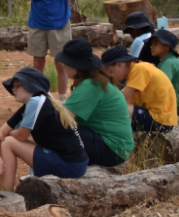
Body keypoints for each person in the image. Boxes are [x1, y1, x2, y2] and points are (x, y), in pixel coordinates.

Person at [0, 68, 89, 191]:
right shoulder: (34, 102)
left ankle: (6, 194)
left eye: (18, 85)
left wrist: (9, 133)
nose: (13, 89)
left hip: (70, 164)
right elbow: (1, 132)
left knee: (7, 143)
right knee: (5, 141)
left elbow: (20, 136)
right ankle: (1, 191)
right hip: (74, 161)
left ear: (31, 86)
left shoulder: (36, 102)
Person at [55, 39, 135, 167]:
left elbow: (64, 117)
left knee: (54, 129)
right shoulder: (95, 81)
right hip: (117, 147)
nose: (62, 65)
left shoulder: (90, 86)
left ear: (75, 65)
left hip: (111, 149)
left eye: (66, 61)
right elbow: (67, 108)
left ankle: (55, 167)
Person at [24, 0, 75, 101]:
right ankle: (40, 99)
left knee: (60, 63)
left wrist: (59, 12)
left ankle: (61, 100)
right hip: (37, 21)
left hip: (58, 22)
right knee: (37, 63)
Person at [100, 46, 178, 132]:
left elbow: (123, 99)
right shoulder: (134, 72)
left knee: (115, 108)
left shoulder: (139, 69)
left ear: (119, 65)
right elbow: (131, 101)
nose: (111, 76)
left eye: (111, 72)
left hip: (160, 120)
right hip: (162, 118)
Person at [151, 29, 179, 116]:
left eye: (155, 43)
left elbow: (161, 86)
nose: (151, 46)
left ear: (167, 46)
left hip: (177, 106)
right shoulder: (170, 60)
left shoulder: (168, 63)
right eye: (151, 44)